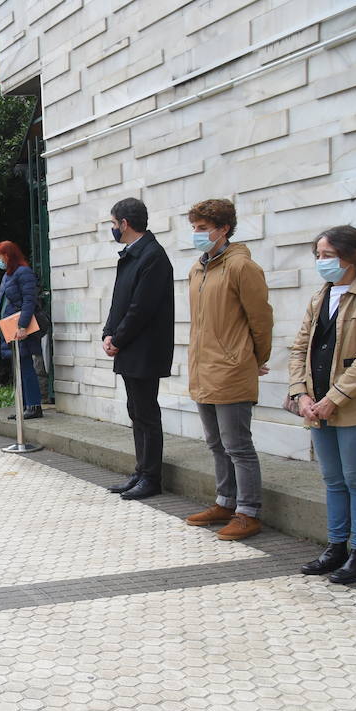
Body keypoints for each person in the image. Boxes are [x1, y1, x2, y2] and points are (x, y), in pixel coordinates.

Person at [288, 225, 356, 584]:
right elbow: (299, 348)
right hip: (316, 404)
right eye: (318, 255)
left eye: (328, 255)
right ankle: (336, 548)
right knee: (333, 479)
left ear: (354, 256)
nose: (322, 262)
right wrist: (302, 394)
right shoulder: (320, 296)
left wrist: (333, 399)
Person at [183, 199, 274, 541]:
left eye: (203, 228)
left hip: (231, 368)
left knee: (237, 445)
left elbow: (261, 320)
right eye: (194, 227)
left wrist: (254, 358)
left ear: (223, 229)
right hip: (203, 368)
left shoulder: (241, 267)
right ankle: (225, 502)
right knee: (216, 443)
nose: (197, 234)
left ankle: (248, 512)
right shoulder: (198, 269)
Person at [101, 197, 175, 500]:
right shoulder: (133, 254)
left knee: (146, 413)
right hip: (130, 347)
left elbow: (141, 308)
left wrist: (118, 339)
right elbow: (119, 301)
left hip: (144, 349)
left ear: (125, 224)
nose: (112, 228)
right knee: (136, 411)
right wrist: (108, 332)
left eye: (113, 223)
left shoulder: (152, 256)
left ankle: (151, 477)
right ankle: (141, 471)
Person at [0, 242, 44, 420]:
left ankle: (33, 405)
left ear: (9, 255)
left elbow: (29, 301)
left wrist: (23, 326)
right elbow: (0, 303)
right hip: (9, 328)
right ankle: (24, 405)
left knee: (25, 366)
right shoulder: (7, 276)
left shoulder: (23, 272)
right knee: (19, 367)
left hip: (20, 328)